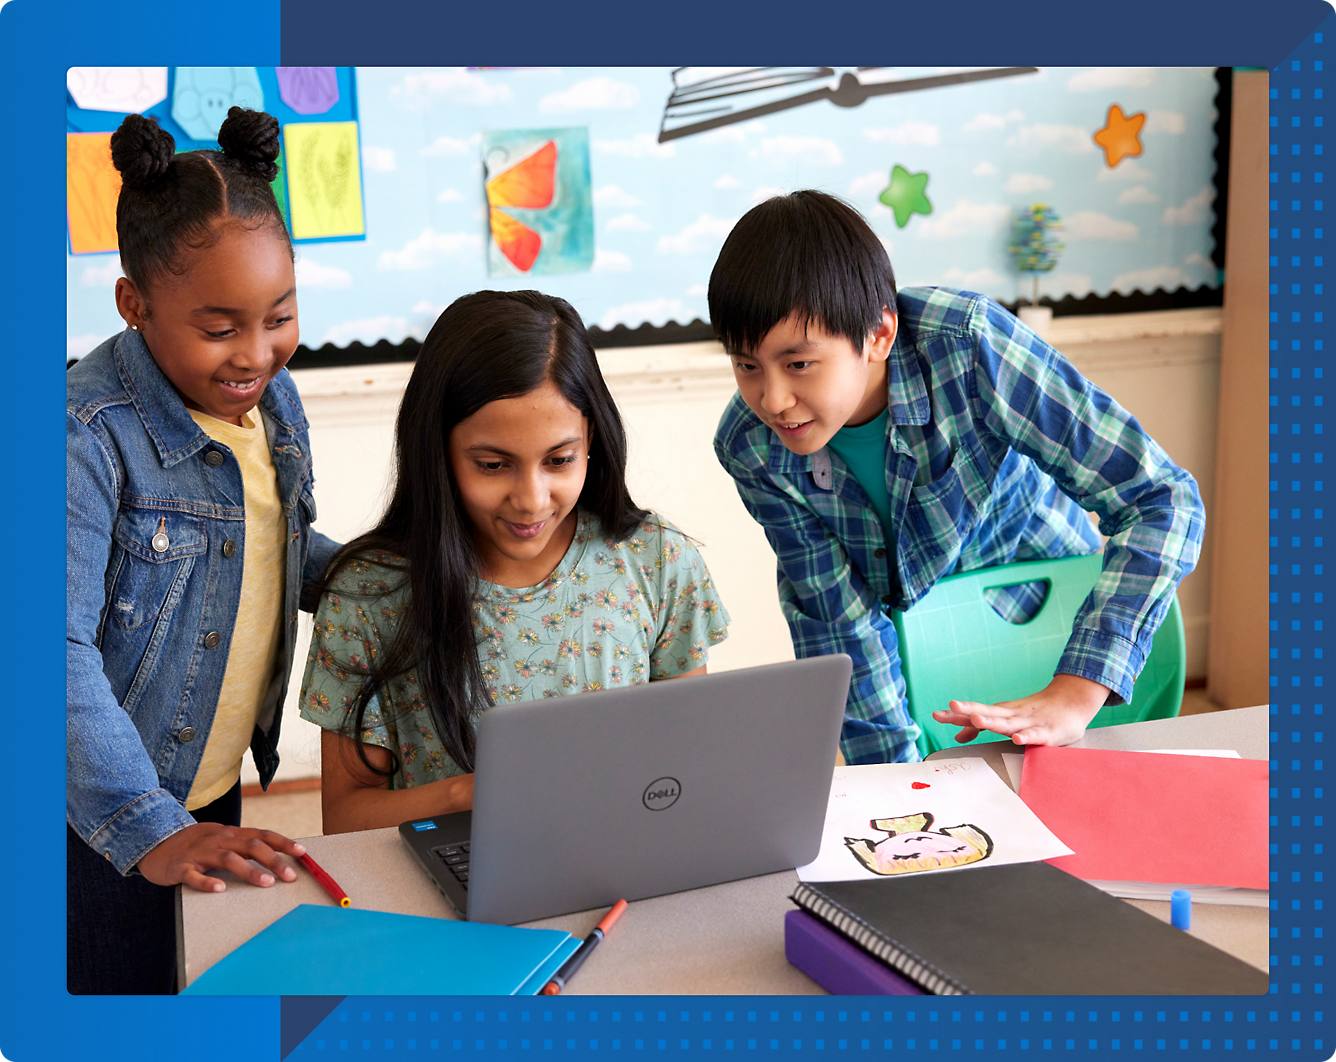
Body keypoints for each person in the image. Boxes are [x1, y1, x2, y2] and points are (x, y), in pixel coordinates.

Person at [710, 190, 1204, 763]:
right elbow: (839, 621)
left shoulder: (969, 346)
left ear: (879, 335)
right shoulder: (750, 447)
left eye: (798, 364)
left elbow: (1163, 499)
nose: (772, 399)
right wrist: (895, 789)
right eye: (747, 365)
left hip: (1050, 629)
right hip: (920, 671)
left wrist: (1075, 691)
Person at [66, 108, 339, 994]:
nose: (256, 355)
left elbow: (273, 546)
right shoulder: (82, 437)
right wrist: (150, 826)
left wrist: (387, 573)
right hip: (97, 814)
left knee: (195, 990)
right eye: (220, 329)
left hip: (206, 783)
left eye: (280, 315)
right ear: (134, 304)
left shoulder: (274, 399)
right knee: (118, 1003)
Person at [299, 290, 729, 833]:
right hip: (455, 879)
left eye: (559, 460)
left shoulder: (656, 558)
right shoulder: (369, 594)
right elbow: (345, 817)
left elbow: (690, 763)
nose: (530, 499)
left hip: (627, 860)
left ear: (592, 438)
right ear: (438, 451)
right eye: (494, 464)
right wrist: (471, 793)